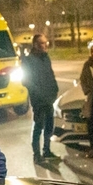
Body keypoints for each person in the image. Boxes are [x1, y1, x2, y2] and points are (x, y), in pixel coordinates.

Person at [21, 34, 60, 164]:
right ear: (35, 45)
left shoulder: (46, 58)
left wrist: (54, 89)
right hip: (38, 100)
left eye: (46, 43)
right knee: (38, 126)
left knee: (49, 125)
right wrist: (38, 93)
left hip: (49, 98)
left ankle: (47, 150)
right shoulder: (28, 60)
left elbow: (50, 74)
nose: (45, 46)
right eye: (42, 43)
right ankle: (37, 154)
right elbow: (26, 81)